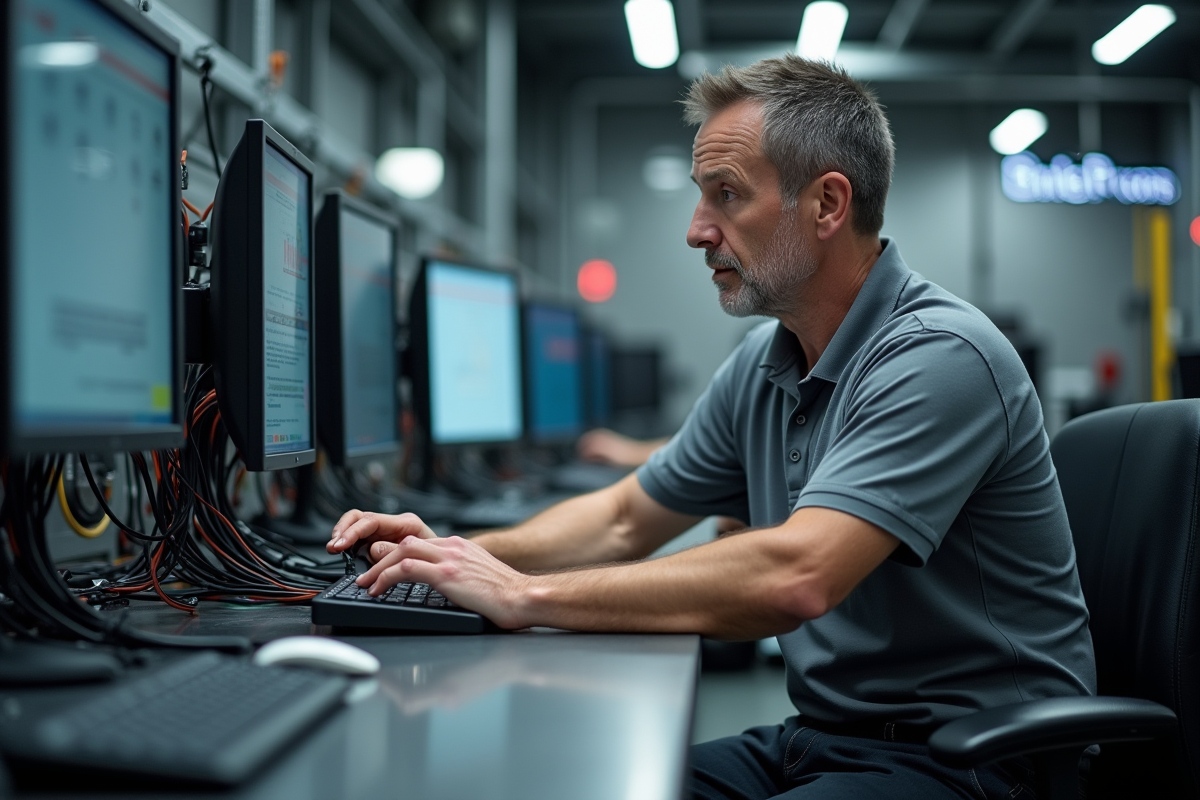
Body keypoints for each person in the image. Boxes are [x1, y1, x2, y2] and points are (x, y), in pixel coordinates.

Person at [329, 55, 1095, 799]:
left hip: (979, 761)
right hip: (829, 736)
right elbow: (628, 518)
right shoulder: (768, 362)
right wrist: (447, 560)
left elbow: (797, 575)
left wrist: (527, 596)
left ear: (828, 205)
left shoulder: (939, 357)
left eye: (726, 195)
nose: (698, 231)